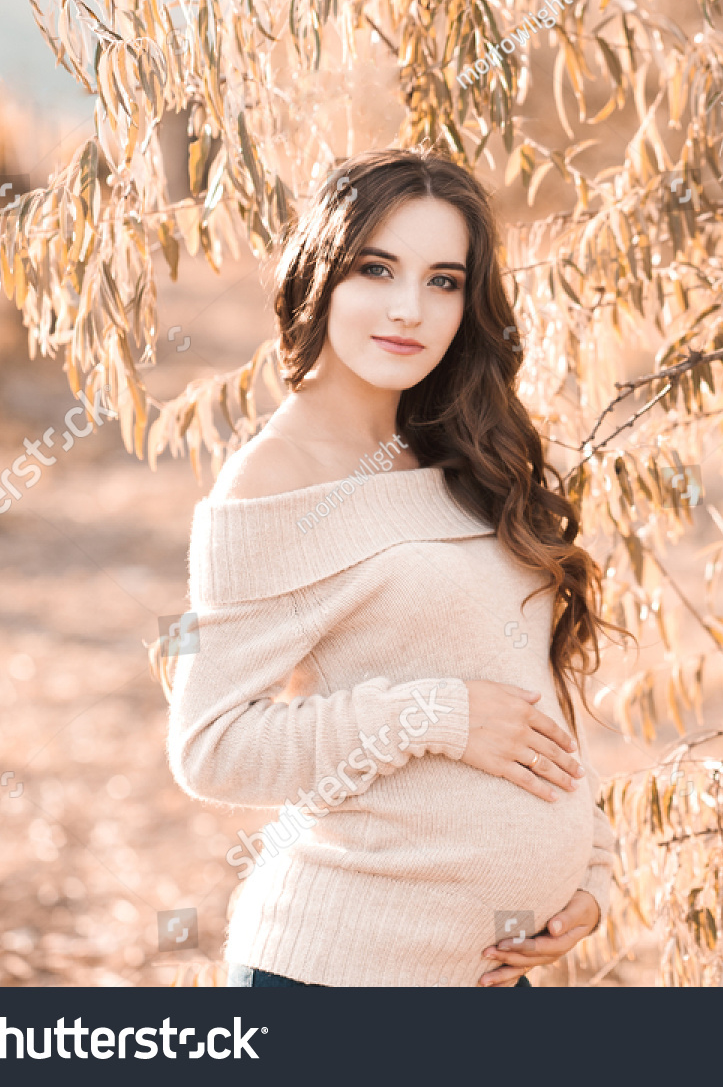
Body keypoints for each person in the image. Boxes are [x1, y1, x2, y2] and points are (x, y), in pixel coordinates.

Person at [164, 149, 629, 987]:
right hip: (340, 978)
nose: (410, 309)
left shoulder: (463, 456)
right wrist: (433, 714)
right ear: (322, 275)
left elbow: (519, 680)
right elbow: (211, 747)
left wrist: (587, 874)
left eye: (444, 281)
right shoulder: (273, 481)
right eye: (376, 269)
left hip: (490, 976)